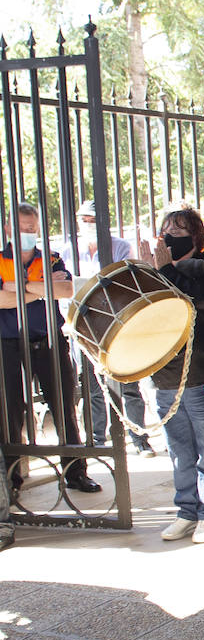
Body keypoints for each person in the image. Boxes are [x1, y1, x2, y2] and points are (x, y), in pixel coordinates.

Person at [142, 207, 204, 544]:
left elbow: (201, 300)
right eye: (166, 230)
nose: (170, 237)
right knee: (180, 450)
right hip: (165, 375)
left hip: (202, 372)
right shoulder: (153, 271)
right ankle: (186, 511)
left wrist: (166, 269)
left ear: (196, 236)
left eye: (179, 230)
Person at [0, 203, 100, 494]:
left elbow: (66, 290)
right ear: (7, 228)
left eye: (31, 228)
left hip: (48, 343)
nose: (27, 233)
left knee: (64, 407)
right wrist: (40, 286)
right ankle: (11, 480)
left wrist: (18, 286)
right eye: (21, 228)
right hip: (8, 346)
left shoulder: (51, 258)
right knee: (11, 413)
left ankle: (75, 473)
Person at [64, 200, 156, 457]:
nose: (89, 225)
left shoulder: (120, 247)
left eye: (94, 220)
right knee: (92, 386)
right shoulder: (69, 250)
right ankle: (97, 440)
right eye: (85, 220)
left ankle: (138, 438)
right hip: (83, 328)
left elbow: (121, 284)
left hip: (117, 327)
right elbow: (65, 291)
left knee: (127, 384)